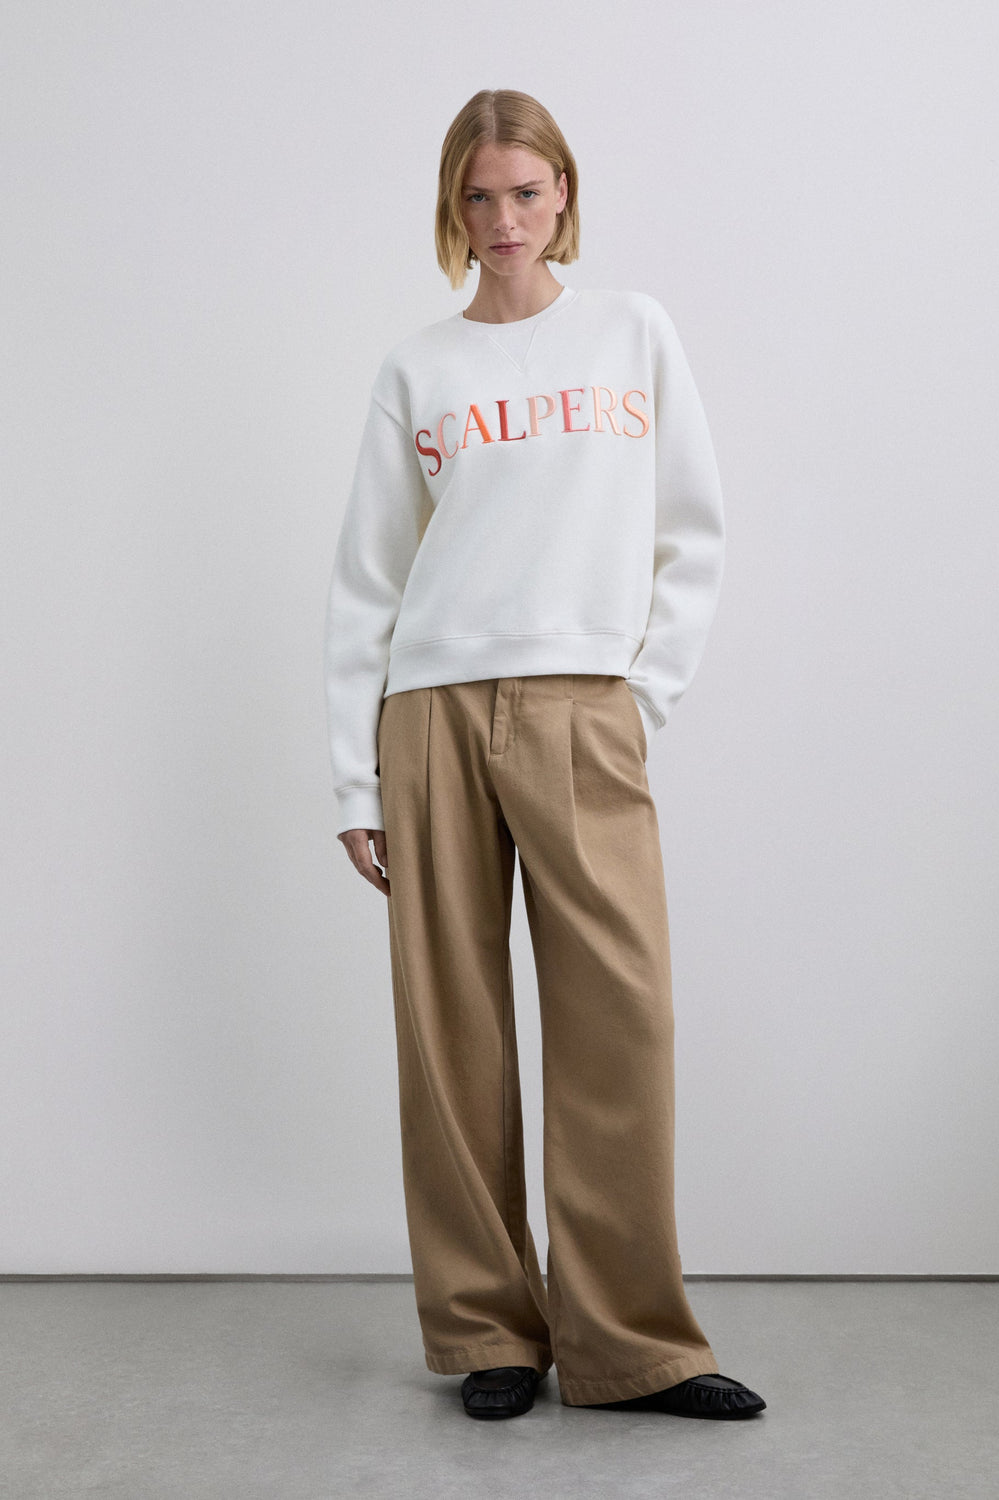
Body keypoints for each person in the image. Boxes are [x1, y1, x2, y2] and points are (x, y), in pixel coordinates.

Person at [324, 88, 765, 1423]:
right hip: (431, 712)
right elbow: (367, 579)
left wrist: (639, 698)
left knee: (621, 1015)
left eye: (525, 192)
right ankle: (489, 1334)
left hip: (584, 706)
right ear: (452, 208)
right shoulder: (418, 369)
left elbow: (692, 530)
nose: (504, 220)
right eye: (479, 198)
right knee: (450, 1029)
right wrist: (356, 775)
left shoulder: (633, 332)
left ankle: (631, 1344)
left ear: (563, 191)